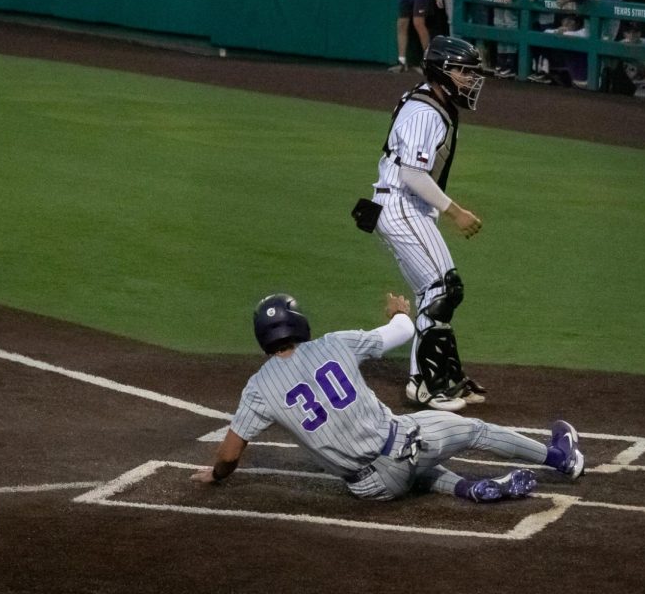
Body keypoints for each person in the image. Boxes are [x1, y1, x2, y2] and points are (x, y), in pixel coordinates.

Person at [189, 292, 585, 503]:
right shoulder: (335, 343)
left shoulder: (258, 388)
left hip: (371, 490)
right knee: (474, 430)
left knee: (418, 472)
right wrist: (399, 311)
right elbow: (402, 331)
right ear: (298, 324)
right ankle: (560, 458)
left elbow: (228, 455)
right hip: (402, 447)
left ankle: (469, 489)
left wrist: (215, 476)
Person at [352, 35, 487, 411]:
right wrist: (455, 211)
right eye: (463, 71)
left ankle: (440, 376)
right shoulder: (426, 110)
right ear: (442, 71)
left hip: (409, 207)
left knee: (441, 291)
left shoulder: (436, 102)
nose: (470, 79)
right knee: (441, 290)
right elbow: (412, 174)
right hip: (400, 205)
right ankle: (428, 384)